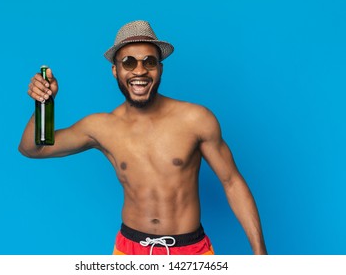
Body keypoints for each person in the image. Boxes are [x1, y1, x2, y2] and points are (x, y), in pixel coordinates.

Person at [19, 20, 267, 255]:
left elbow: (232, 182)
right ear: (115, 71)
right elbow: (33, 149)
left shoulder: (196, 119)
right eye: (128, 62)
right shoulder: (101, 127)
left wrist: (261, 255)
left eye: (149, 62)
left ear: (159, 68)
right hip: (130, 251)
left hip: (191, 251)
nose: (140, 70)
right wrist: (44, 103)